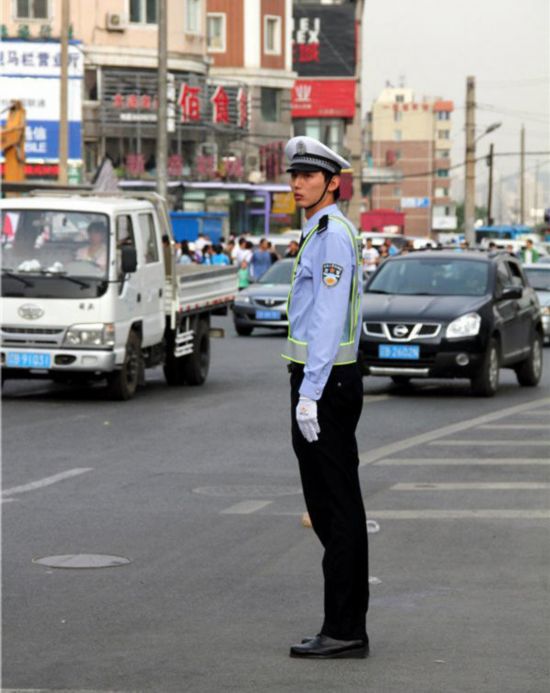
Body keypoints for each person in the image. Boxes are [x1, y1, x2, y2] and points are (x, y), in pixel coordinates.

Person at [282, 135, 369, 660]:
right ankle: (345, 621)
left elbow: (329, 317)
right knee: (330, 506)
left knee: (337, 510)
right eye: (294, 175)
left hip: (327, 384)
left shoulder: (332, 234)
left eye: (309, 176)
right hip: (321, 381)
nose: (298, 183)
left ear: (332, 182)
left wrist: (310, 393)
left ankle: (344, 628)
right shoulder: (316, 231)